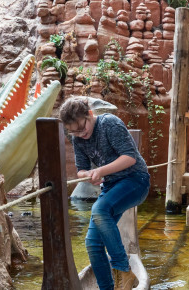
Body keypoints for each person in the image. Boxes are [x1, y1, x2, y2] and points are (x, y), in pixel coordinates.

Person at [59, 96, 150, 290]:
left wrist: (100, 171)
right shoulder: (77, 138)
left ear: (90, 114)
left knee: (100, 211)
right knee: (92, 243)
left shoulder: (109, 123)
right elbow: (81, 170)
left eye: (82, 127)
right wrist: (88, 175)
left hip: (136, 180)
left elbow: (130, 157)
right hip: (110, 186)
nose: (80, 134)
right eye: (74, 131)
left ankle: (123, 269)